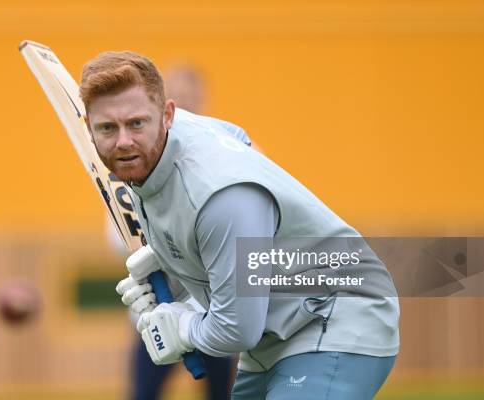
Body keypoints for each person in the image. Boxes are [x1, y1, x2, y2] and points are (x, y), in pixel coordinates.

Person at [80, 51, 399, 399]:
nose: (124, 140)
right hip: (273, 335)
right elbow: (238, 136)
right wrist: (174, 275)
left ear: (167, 115)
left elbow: (237, 329)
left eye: (137, 123)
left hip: (335, 315)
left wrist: (183, 328)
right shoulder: (160, 148)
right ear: (89, 129)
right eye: (108, 127)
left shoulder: (221, 196)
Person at [114, 63, 234, 400]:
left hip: (216, 310)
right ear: (163, 103)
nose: (184, 104)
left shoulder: (229, 148)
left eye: (191, 96)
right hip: (156, 310)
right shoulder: (133, 158)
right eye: (177, 95)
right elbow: (119, 234)